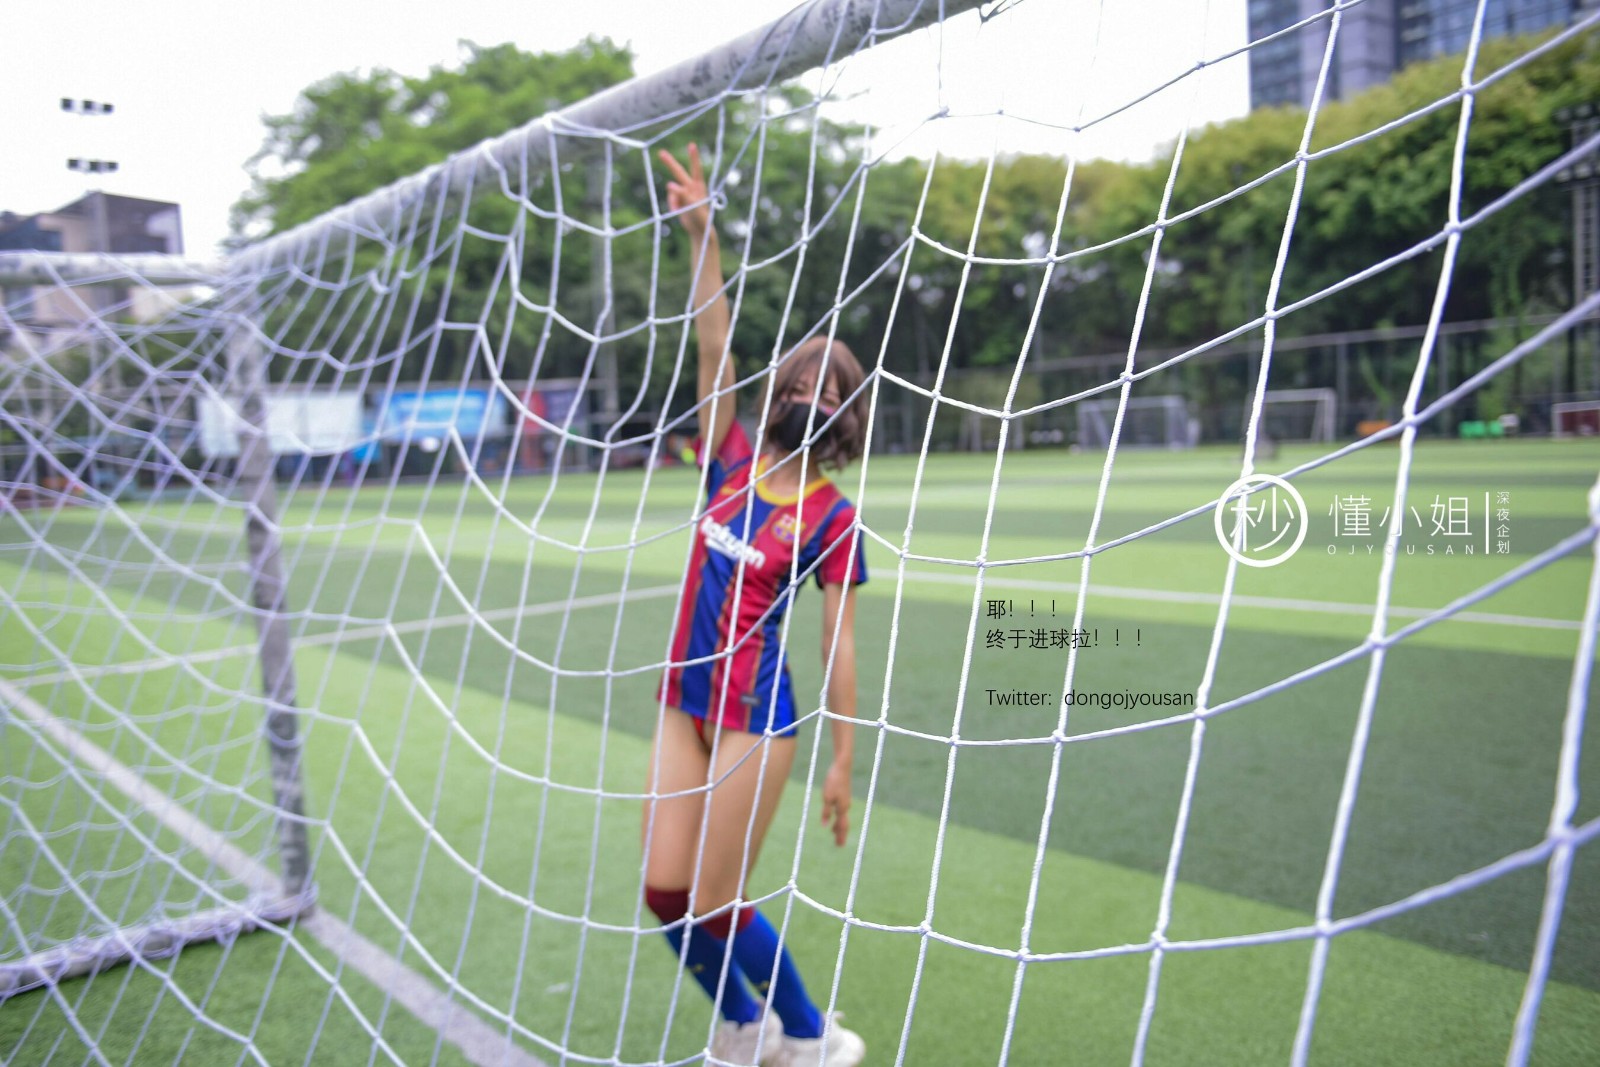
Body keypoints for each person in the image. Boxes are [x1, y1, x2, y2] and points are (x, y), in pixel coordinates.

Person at [643, 143, 869, 1067]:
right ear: (777, 391)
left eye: (831, 390)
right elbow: (712, 345)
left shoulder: (833, 515)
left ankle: (815, 1037)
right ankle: (746, 1025)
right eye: (802, 380)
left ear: (846, 415)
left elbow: (838, 641)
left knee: (717, 900)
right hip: (683, 699)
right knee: (665, 896)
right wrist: (704, 239)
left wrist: (842, 760)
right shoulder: (727, 456)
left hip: (756, 716)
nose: (812, 394)